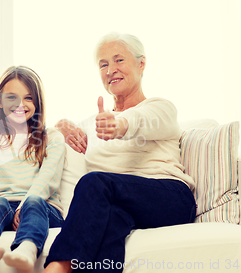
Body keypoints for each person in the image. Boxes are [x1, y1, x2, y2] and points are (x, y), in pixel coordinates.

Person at [43, 33, 197, 273]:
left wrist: (120, 125)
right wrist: (60, 126)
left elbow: (139, 119)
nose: (110, 69)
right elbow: (45, 138)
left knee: (94, 182)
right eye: (103, 64)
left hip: (169, 198)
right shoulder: (92, 123)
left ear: (141, 64)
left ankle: (57, 267)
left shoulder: (160, 107)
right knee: (109, 221)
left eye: (118, 60)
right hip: (121, 205)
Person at [0, 66, 66, 273]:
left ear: (37, 102)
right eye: (11, 97)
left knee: (34, 201)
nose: (20, 104)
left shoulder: (51, 137)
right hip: (6, 208)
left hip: (43, 207)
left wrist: (24, 205)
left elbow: (49, 177)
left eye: (28, 98)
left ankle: (26, 250)